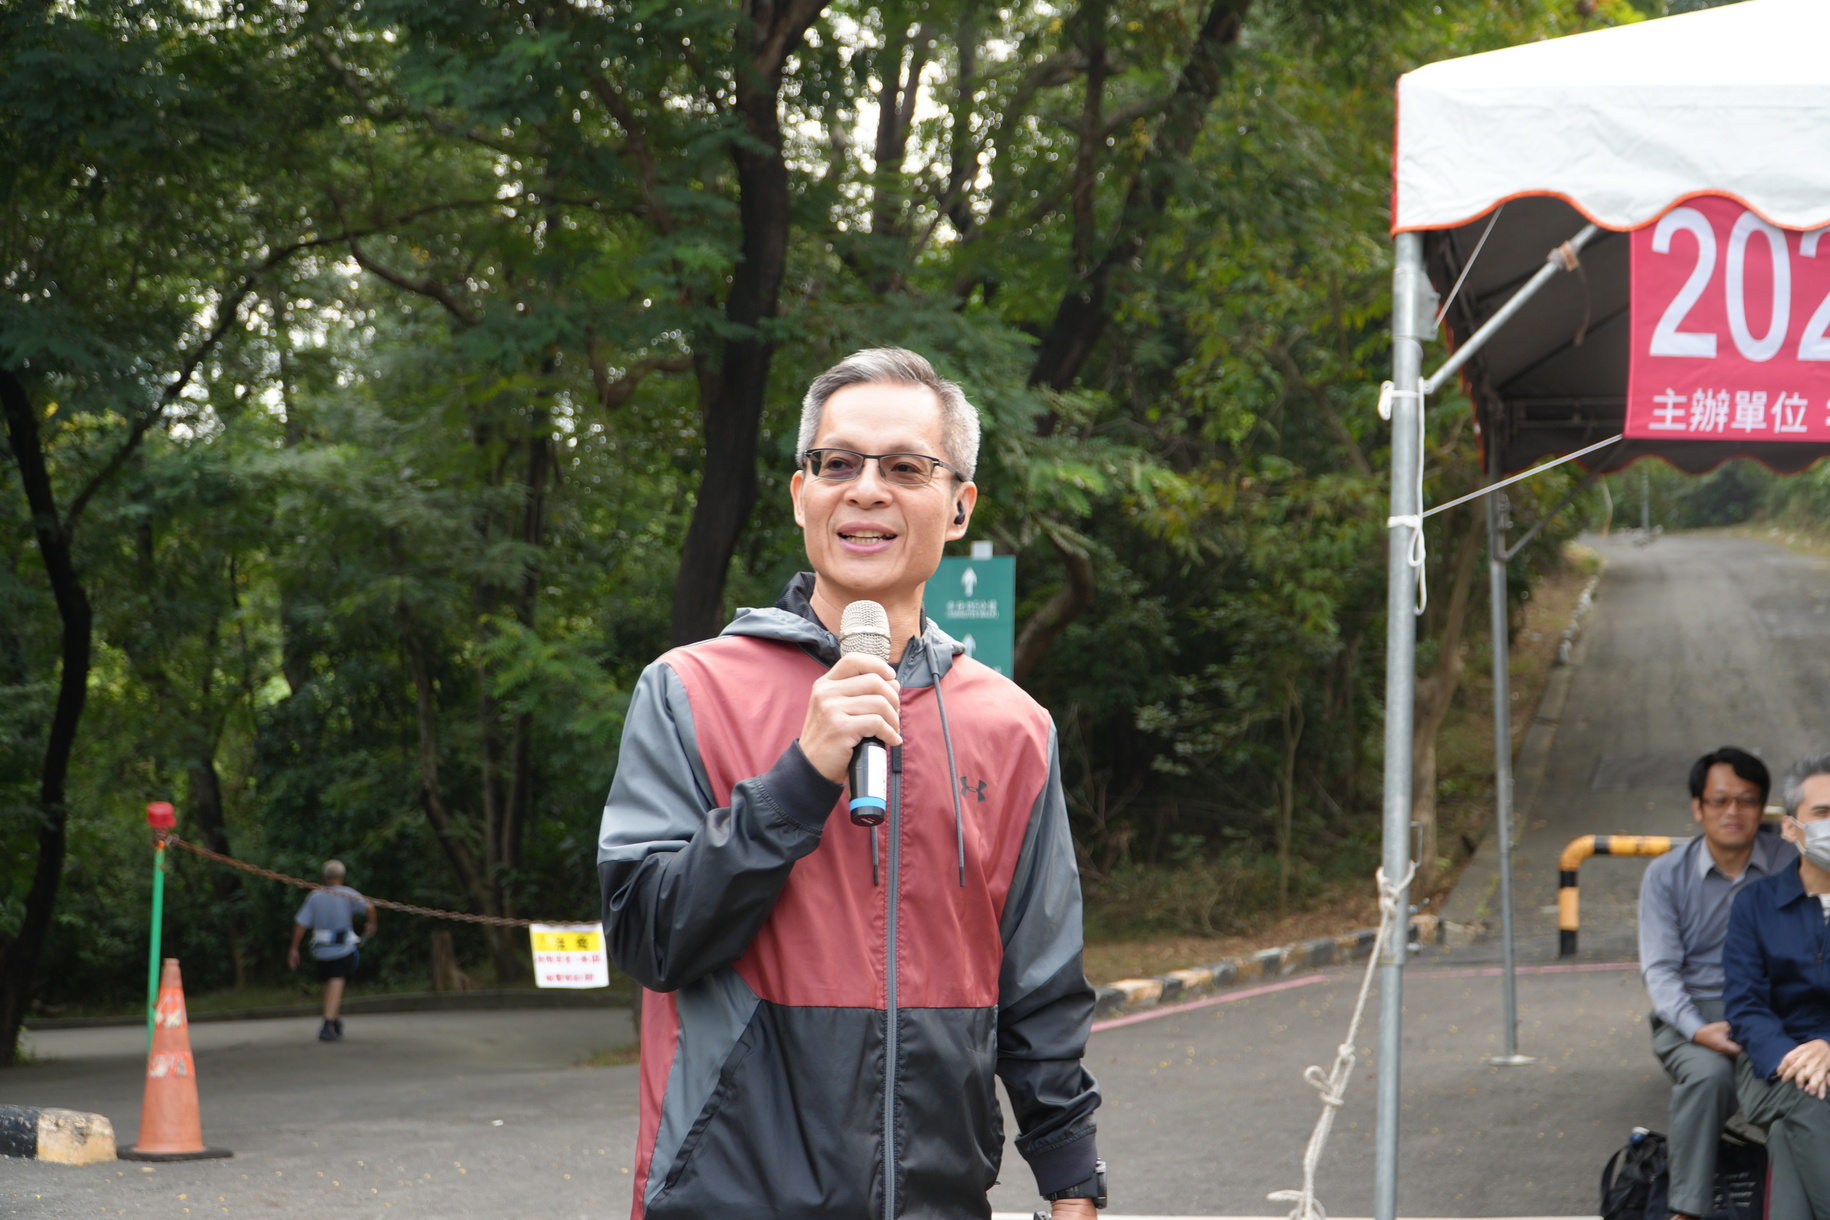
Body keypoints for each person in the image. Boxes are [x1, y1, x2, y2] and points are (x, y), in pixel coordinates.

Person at [597, 348, 1102, 1219]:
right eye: (838, 464)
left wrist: (1073, 1180)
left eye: (906, 468)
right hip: (726, 1201)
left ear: (957, 508)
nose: (866, 490)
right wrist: (798, 779)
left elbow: (1040, 984)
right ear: (802, 496)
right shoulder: (687, 690)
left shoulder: (1015, 727)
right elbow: (649, 938)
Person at [1639, 746, 1794, 1220]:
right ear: (1697, 807)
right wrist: (1696, 1029)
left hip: (1774, 1008)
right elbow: (1661, 970)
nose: (1733, 812)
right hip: (1695, 1011)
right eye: (1720, 800)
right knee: (1708, 1079)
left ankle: (1792, 1201)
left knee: (1797, 1083)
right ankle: (1687, 1210)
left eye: (1747, 801)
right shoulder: (1666, 874)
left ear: (1762, 807)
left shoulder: (1792, 863)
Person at [1724, 754, 1830, 1220]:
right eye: (1823, 814)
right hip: (1776, 1065)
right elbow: (1744, 1003)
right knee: (1810, 1098)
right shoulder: (1755, 904)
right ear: (1791, 828)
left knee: (1792, 1137)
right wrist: (1793, 1057)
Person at [288, 860, 376, 1043]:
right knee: (336, 982)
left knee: (328, 984)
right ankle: (328, 1024)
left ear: (324, 877)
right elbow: (369, 907)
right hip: (342, 949)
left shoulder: (315, 896)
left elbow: (301, 924)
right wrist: (372, 924)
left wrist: (294, 948)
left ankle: (334, 1020)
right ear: (342, 878)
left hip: (321, 950)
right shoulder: (349, 894)